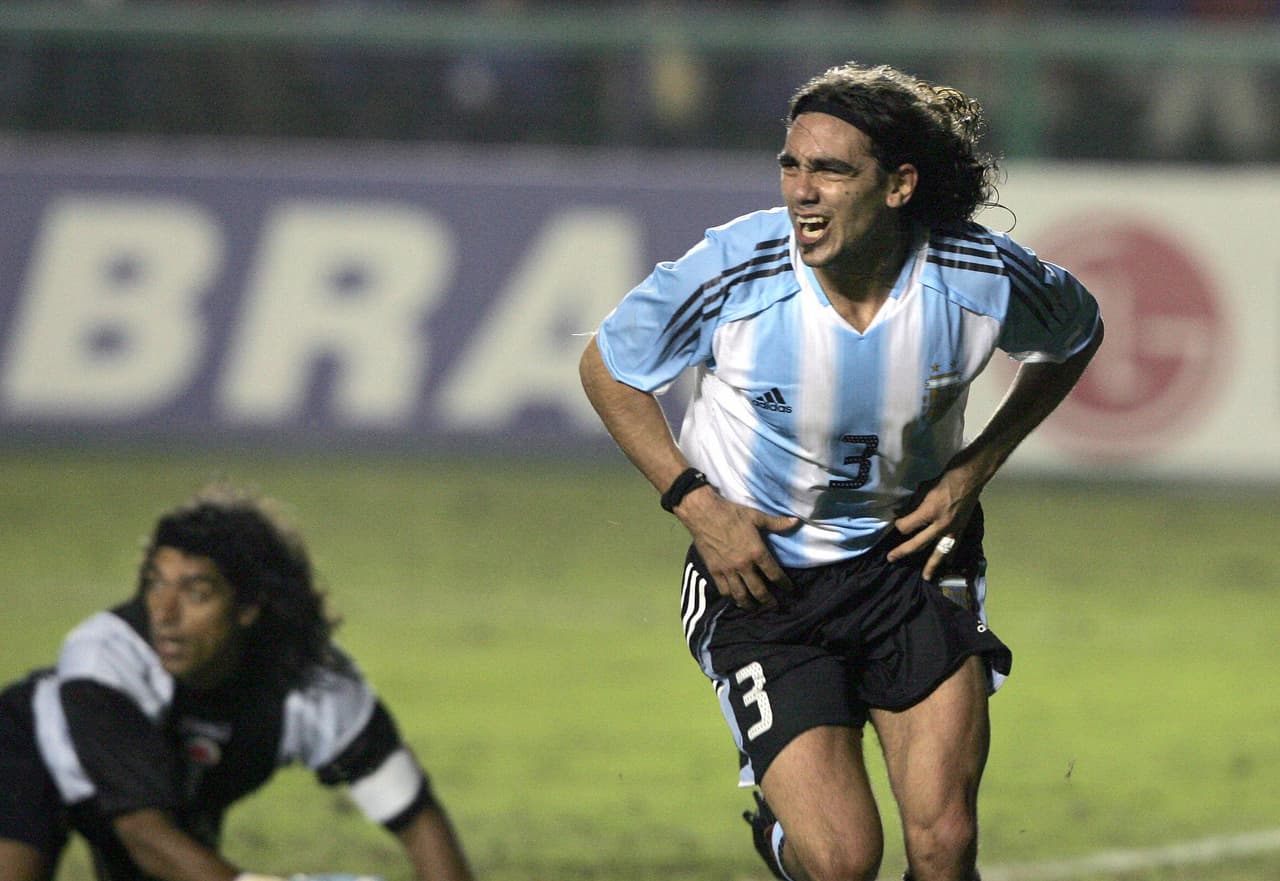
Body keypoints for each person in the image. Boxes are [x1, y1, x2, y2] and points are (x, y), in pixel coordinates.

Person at [579, 61, 1103, 881]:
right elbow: (609, 368)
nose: (802, 191)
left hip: (911, 564)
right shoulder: (737, 267)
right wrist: (697, 504)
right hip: (763, 581)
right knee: (843, 859)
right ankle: (782, 835)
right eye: (791, 165)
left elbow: (1075, 334)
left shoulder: (975, 275)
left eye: (830, 170)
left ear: (898, 186)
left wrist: (974, 467)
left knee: (944, 844)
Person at [0, 484, 475, 881]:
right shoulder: (105, 660)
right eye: (156, 583)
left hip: (168, 801)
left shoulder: (314, 684)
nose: (163, 614)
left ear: (248, 606)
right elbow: (142, 833)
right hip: (32, 755)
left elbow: (417, 819)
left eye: (196, 592)